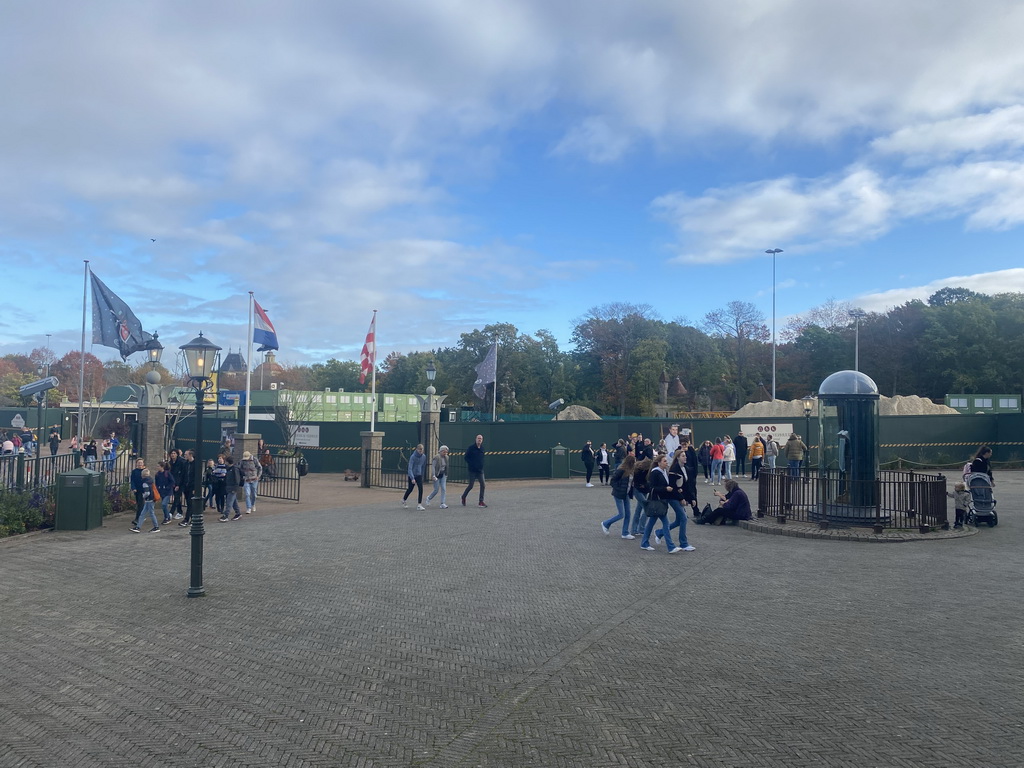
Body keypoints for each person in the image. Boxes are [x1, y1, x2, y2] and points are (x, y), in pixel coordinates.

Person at [654, 448, 697, 551]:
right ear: (677, 458)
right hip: (672, 497)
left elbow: (687, 486)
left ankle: (659, 532)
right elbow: (673, 487)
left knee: (678, 521)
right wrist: (681, 498)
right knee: (683, 518)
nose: (685, 457)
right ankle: (683, 543)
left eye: (685, 455)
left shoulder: (684, 468)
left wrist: (692, 499)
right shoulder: (674, 469)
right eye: (682, 456)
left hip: (678, 497)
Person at [641, 454, 684, 553]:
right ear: (659, 463)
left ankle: (644, 543)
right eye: (664, 461)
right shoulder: (655, 472)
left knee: (651, 522)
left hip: (662, 500)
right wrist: (665, 488)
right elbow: (651, 487)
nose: (666, 463)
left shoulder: (664, 472)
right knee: (665, 523)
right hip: (657, 500)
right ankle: (670, 546)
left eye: (666, 461)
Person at [601, 454, 636, 539]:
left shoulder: (632, 471)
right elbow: (613, 481)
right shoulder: (621, 470)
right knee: (621, 514)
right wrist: (619, 489)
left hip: (626, 494)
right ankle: (605, 523)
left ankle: (625, 533)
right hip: (619, 494)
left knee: (628, 513)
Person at [461, 434, 487, 508]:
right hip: (472, 470)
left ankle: (481, 501)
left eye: (481, 439)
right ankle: (463, 496)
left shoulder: (482, 448)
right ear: (476, 439)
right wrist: (472, 464)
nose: (479, 440)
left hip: (480, 470)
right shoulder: (471, 448)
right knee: (471, 485)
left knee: (483, 485)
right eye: (478, 438)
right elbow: (466, 457)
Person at [629, 457, 652, 536]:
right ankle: (641, 528)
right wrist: (645, 485)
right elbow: (642, 482)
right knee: (646, 508)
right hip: (639, 490)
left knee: (638, 510)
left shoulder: (638, 469)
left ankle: (634, 529)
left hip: (641, 490)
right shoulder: (642, 471)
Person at [403, 444, 427, 509]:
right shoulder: (413, 457)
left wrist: (422, 474)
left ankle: (419, 504)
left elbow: (423, 466)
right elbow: (410, 468)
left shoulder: (424, 457)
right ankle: (404, 499)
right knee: (410, 489)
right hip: (412, 475)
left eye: (422, 450)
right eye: (419, 450)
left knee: (421, 489)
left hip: (419, 475)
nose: (421, 451)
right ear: (417, 449)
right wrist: (412, 478)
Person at [222, 455, 243, 521]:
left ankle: (226, 515)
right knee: (234, 501)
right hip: (230, 487)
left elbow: (237, 479)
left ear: (228, 462)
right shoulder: (229, 469)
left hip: (233, 488)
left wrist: (235, 487)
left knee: (229, 502)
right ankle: (238, 513)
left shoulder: (234, 469)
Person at [154, 461, 175, 525]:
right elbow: (156, 483)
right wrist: (158, 489)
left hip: (168, 492)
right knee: (164, 505)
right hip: (162, 492)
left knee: (164, 504)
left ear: (162, 467)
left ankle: (167, 517)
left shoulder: (167, 473)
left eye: (158, 466)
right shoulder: (157, 474)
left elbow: (172, 481)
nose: (157, 467)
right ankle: (167, 515)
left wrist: (168, 487)